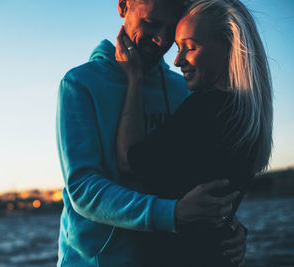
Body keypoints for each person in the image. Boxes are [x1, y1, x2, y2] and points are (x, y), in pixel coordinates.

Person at [56, 0, 248, 266]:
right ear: (123, 6)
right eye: (151, 23)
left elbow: (196, 173)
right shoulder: (80, 84)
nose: (161, 40)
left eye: (171, 29)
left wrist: (229, 224)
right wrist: (171, 213)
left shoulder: (183, 88)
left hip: (164, 255)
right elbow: (83, 188)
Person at [115, 0, 273, 266]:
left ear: (228, 48)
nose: (177, 61)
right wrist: (233, 225)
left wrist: (134, 80)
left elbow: (130, 162)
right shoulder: (246, 114)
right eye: (178, 48)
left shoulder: (206, 108)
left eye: (190, 47)